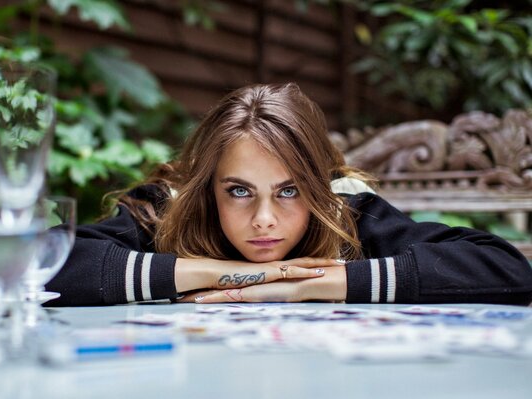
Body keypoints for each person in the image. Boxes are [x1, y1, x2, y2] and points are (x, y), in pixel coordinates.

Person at [46, 83, 532, 306]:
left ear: (320, 190)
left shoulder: (346, 210)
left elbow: (507, 268)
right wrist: (231, 275)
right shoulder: (167, 208)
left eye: (289, 191)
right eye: (238, 190)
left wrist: (309, 283)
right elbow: (40, 259)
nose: (264, 219)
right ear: (206, 189)